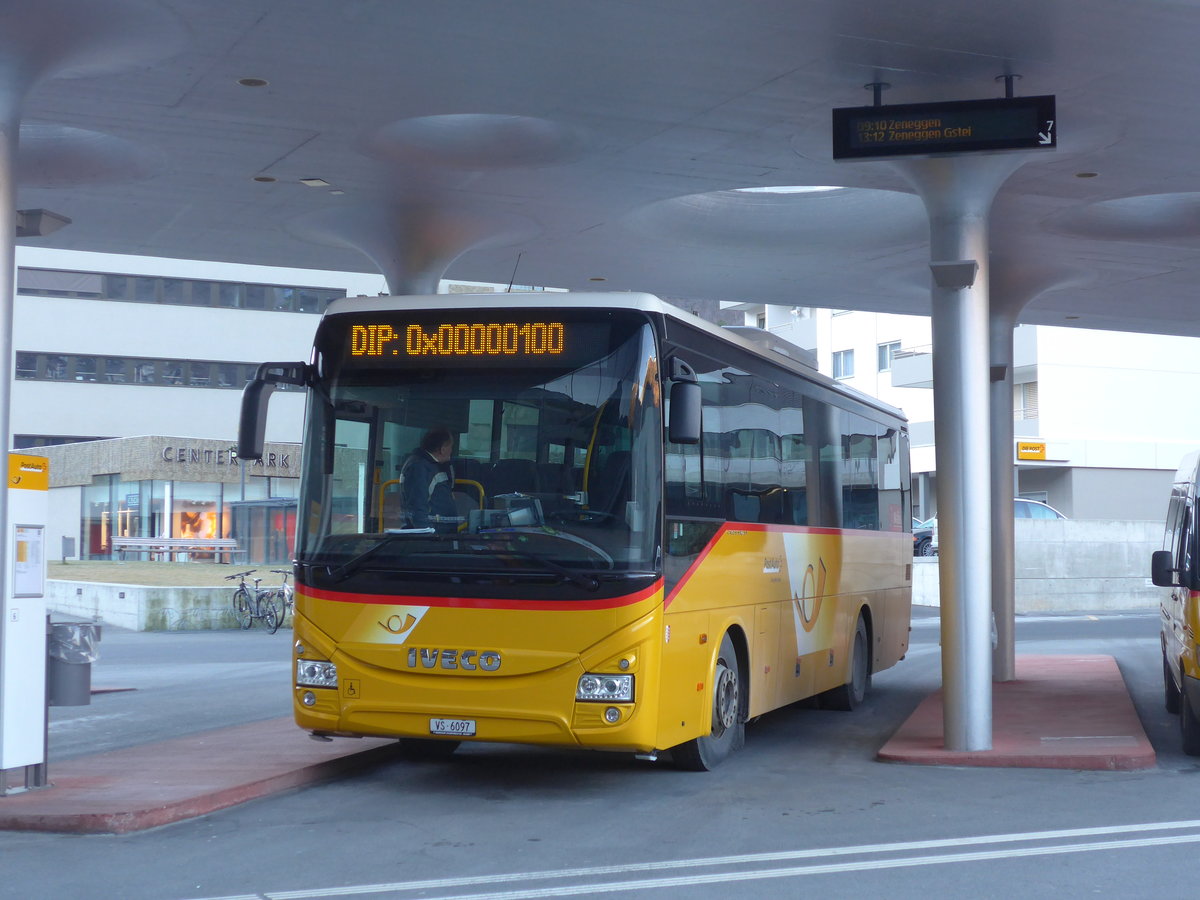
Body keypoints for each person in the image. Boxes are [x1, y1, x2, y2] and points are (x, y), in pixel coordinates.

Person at [398, 426, 459, 531]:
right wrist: (424, 534)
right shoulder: (419, 467)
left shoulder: (432, 466)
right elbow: (417, 505)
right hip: (431, 536)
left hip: (440, 532)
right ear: (443, 449)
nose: (451, 450)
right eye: (451, 446)